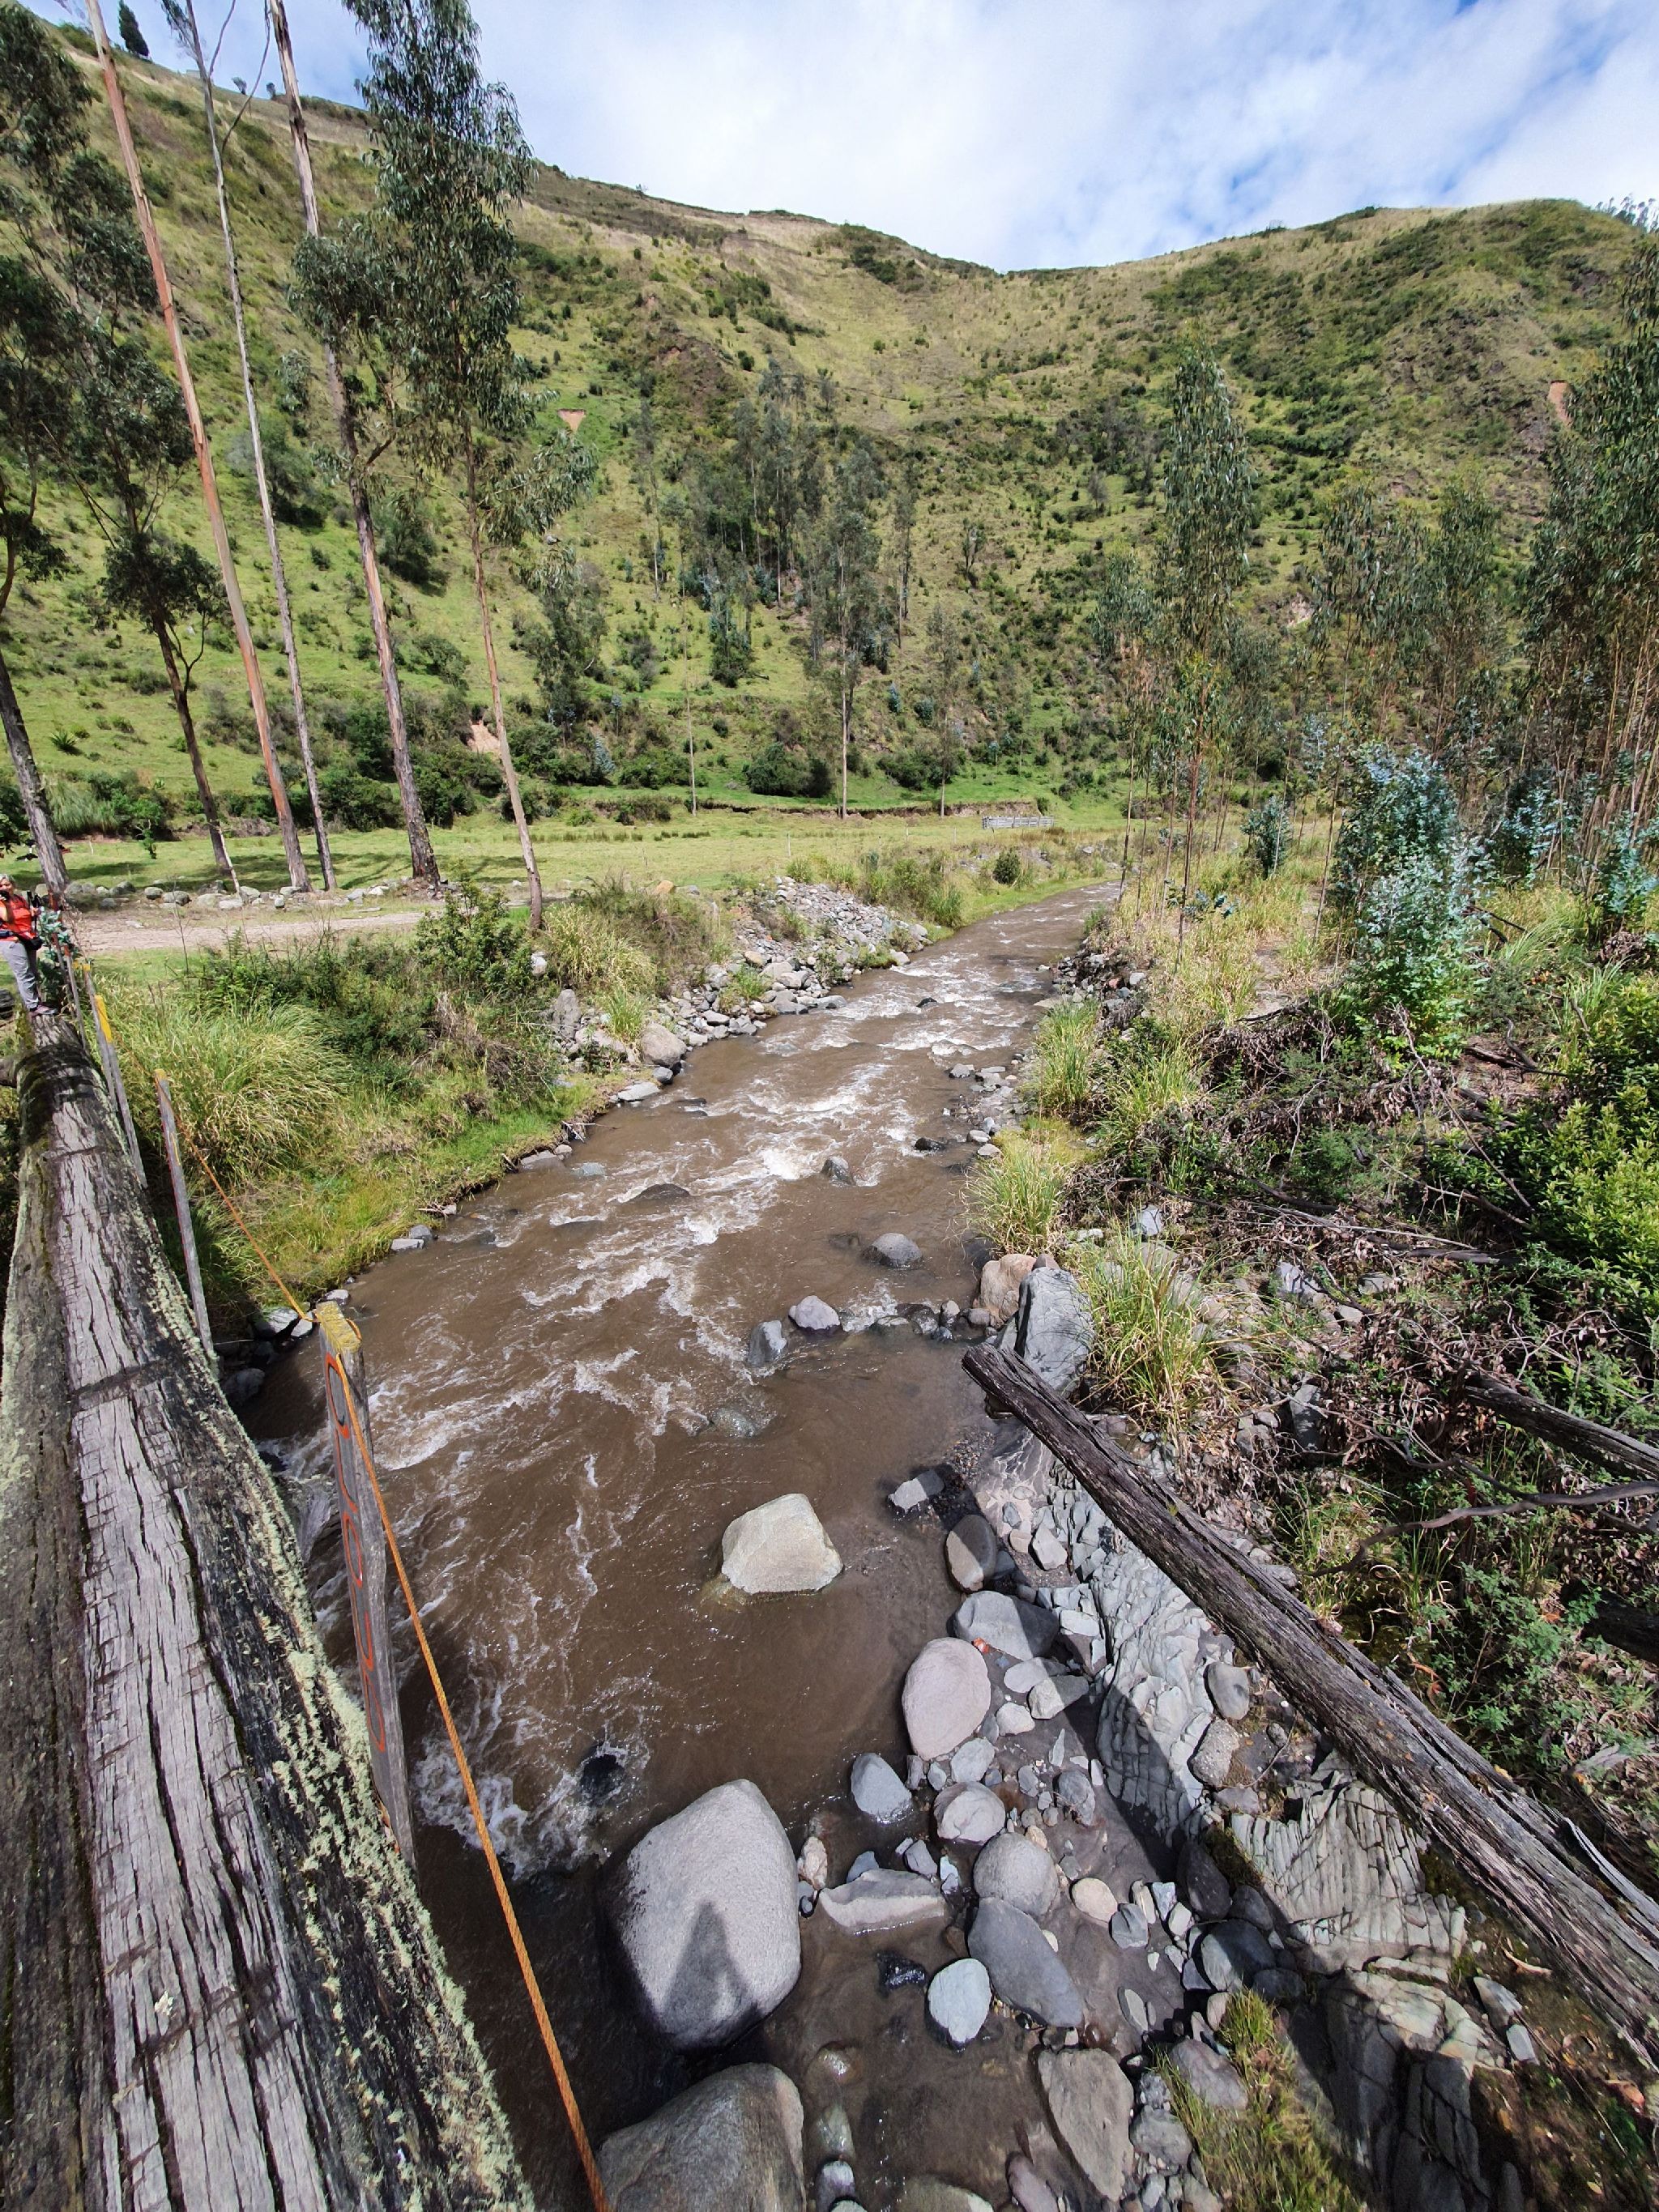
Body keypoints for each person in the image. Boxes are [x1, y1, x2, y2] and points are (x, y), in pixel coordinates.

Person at [0, 873, 42, 1013]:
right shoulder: (1, 902)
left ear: (13, 885)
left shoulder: (19, 899)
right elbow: (7, 918)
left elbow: (25, 916)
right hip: (11, 941)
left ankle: (36, 1001)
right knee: (24, 973)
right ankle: (33, 1006)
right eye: (1, 886)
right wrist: (6, 903)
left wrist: (33, 912)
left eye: (7, 885)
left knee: (33, 972)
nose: (4, 888)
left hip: (27, 938)